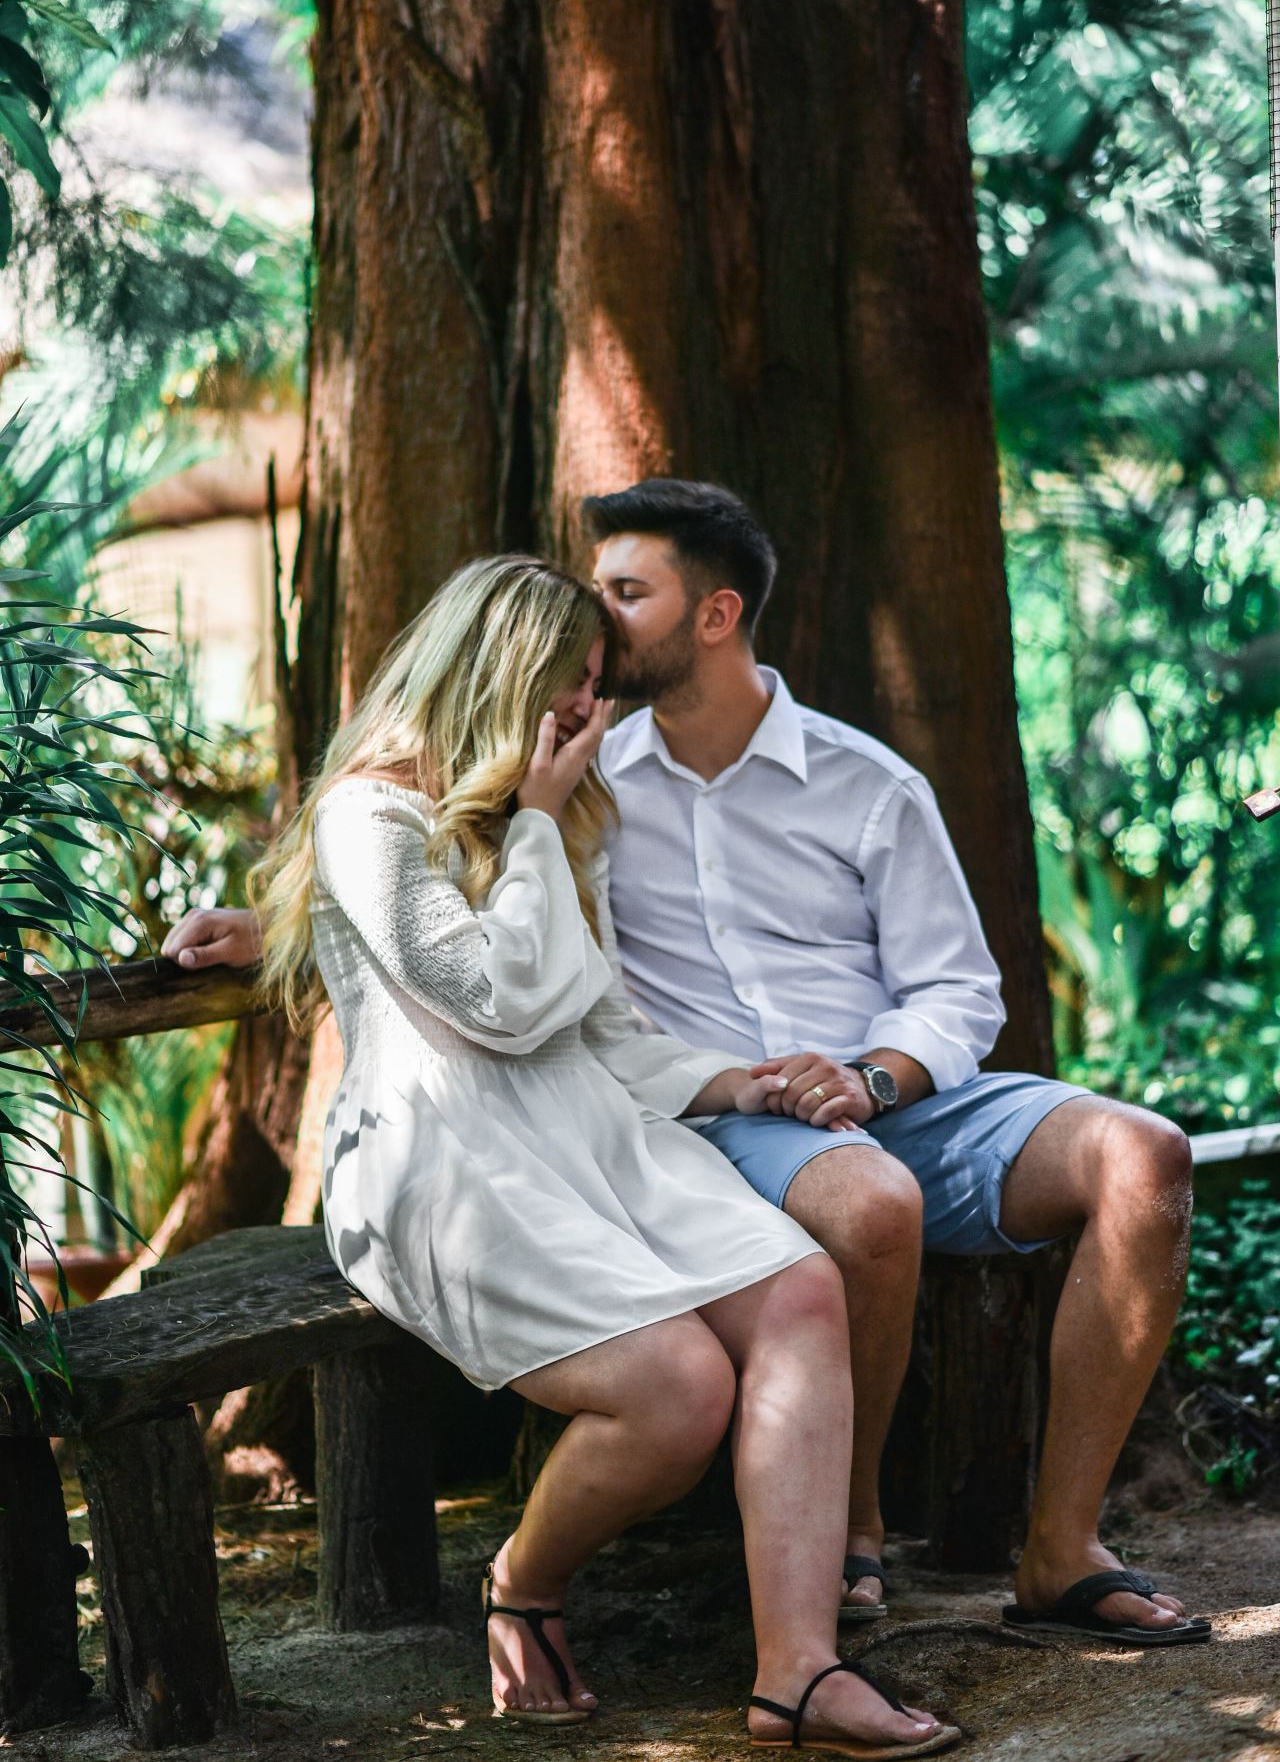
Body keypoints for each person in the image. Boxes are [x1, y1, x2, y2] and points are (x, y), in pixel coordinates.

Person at [166, 483, 1210, 1650]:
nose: (598, 633)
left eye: (624, 596)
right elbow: (438, 891)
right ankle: (853, 1531)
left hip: (881, 1088)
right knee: (866, 1204)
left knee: (1143, 1155)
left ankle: (1061, 1549)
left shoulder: (857, 781)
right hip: (723, 1112)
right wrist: (287, 922)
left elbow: (959, 989)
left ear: (714, 616)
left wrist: (873, 1076)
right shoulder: (578, 783)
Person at [229, 555, 958, 1758]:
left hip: (591, 1132)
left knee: (798, 1292)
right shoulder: (371, 814)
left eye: (590, 687)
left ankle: (799, 1675)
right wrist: (525, 823)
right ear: (498, 673)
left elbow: (599, 1022)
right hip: (447, 1161)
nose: (585, 713)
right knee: (675, 1390)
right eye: (568, 684)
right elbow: (498, 1004)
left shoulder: (556, 816)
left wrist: (735, 1083)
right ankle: (522, 1578)